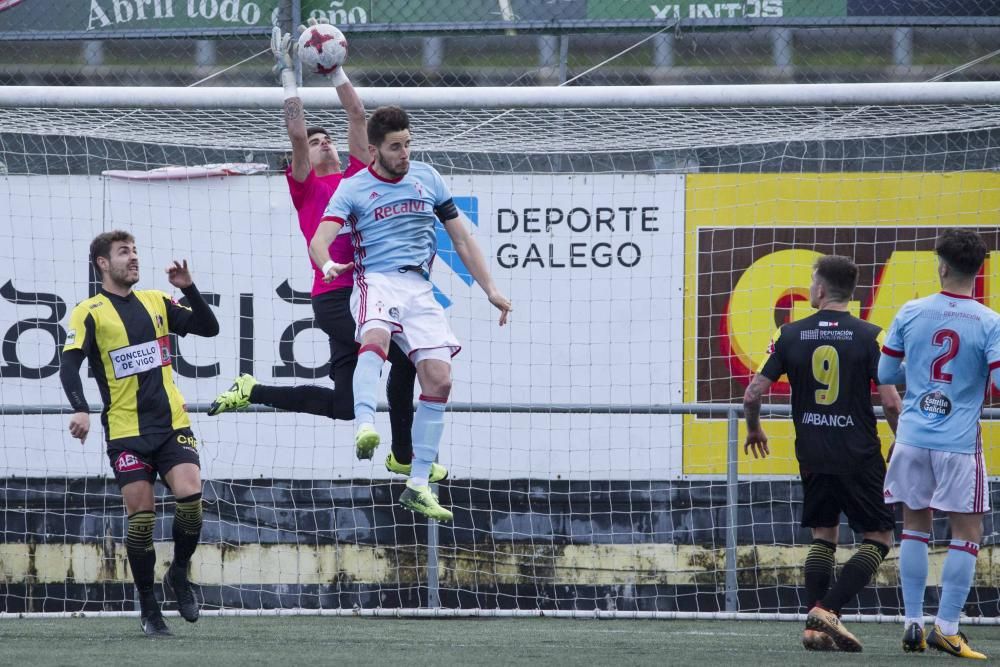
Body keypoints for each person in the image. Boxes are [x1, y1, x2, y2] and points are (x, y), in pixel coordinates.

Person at [208, 24, 437, 482]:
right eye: (315, 142)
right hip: (336, 297)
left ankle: (254, 390)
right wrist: (288, 77)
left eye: (325, 138)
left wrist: (335, 71)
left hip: (372, 292)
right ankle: (405, 457)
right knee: (407, 360)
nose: (322, 142)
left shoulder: (357, 174)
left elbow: (357, 114)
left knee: (345, 404)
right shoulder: (307, 187)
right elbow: (294, 135)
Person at [309, 105, 512, 522]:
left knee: (440, 377)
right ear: (373, 150)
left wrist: (490, 289)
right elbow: (319, 240)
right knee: (376, 338)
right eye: (395, 147)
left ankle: (418, 484)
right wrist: (328, 264)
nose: (404, 153)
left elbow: (462, 239)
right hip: (377, 280)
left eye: (407, 144)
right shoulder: (353, 188)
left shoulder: (428, 179)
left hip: (420, 288)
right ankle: (365, 425)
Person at [60, 230, 220, 636]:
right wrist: (80, 407)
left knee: (190, 494)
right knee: (142, 519)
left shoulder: (156, 301)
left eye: (134, 251)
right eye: (123, 252)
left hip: (171, 425)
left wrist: (190, 289)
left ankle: (179, 573)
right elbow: (69, 365)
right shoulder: (89, 312)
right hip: (127, 432)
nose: (133, 258)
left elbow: (209, 327)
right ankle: (149, 608)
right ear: (102, 263)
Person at [743, 255, 902, 653]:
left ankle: (814, 627)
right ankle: (828, 610)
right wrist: (901, 439)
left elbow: (752, 393)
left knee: (823, 533)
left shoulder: (788, 334)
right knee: (880, 535)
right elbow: (892, 403)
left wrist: (754, 428)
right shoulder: (870, 336)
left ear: (818, 290)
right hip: (858, 452)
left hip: (812, 451)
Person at [880, 229, 1000, 659]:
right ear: (978, 271)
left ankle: (912, 621)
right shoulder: (989, 322)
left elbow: (886, 373)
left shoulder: (911, 311)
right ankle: (947, 627)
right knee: (968, 531)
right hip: (958, 443)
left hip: (912, 437)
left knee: (914, 525)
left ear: (942, 266)